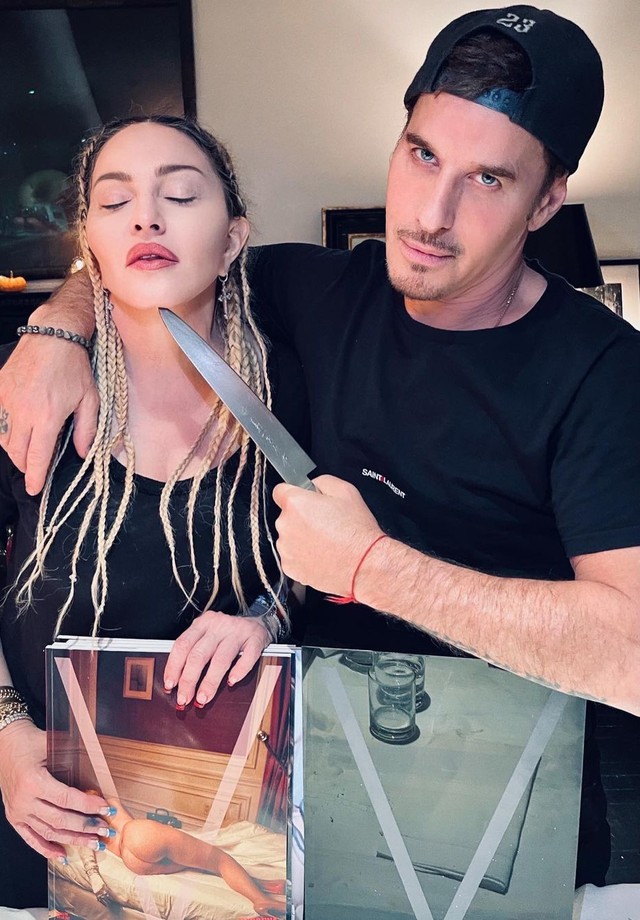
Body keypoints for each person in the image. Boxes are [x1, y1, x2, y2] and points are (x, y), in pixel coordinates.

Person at [1, 2, 638, 889]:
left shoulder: (604, 371)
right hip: (322, 805)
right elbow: (147, 260)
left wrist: (372, 568)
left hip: (504, 808)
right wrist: (55, 329)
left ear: (548, 201)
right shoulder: (310, 290)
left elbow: (631, 654)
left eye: (490, 179)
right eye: (423, 155)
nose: (433, 214)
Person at [0, 114, 306, 908]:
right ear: (91, 246)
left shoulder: (295, 397)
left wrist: (266, 621)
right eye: (116, 202)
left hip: (224, 826)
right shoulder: (26, 396)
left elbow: (325, 569)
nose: (146, 218)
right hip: (41, 817)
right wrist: (5, 737)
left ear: (233, 241)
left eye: (180, 195)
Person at [69, 792, 286, 917]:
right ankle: (261, 900)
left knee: (199, 864)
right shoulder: (99, 800)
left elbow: (88, 854)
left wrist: (95, 879)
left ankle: (258, 884)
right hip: (138, 834)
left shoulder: (83, 826)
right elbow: (127, 819)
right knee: (219, 860)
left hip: (131, 861)